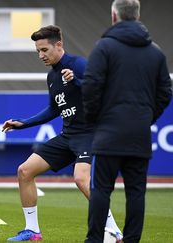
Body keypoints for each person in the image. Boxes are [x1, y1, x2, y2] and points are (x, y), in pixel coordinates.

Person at [2, 25, 122, 241]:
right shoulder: (52, 77)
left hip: (90, 134)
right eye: (38, 51)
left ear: (59, 45)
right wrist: (23, 123)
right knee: (25, 171)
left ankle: (113, 230)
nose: (41, 55)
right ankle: (32, 231)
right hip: (68, 136)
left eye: (45, 50)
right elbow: (54, 109)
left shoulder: (79, 65)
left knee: (81, 179)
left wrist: (76, 81)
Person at [82, 0, 172, 242]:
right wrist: (146, 118)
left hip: (108, 133)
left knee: (101, 190)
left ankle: (94, 240)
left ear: (114, 16)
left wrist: (95, 118)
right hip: (139, 134)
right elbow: (166, 92)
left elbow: (90, 86)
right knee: (136, 193)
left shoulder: (104, 47)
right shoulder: (155, 51)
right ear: (138, 15)